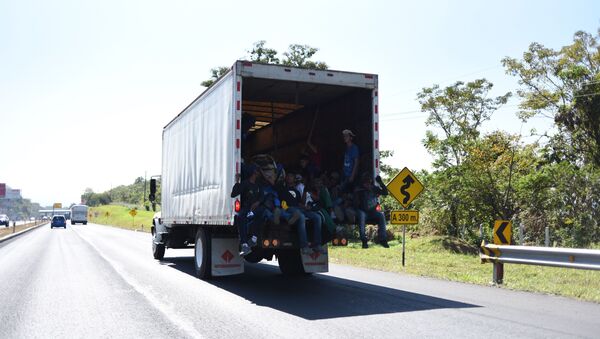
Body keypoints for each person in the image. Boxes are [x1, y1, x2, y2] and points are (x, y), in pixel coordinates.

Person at [278, 172, 325, 254]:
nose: (289, 178)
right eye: (288, 176)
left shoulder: (296, 191)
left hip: (299, 208)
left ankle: (317, 245)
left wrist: (305, 193)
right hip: (288, 208)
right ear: (285, 178)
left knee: (317, 217)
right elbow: (282, 202)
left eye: (291, 176)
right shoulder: (282, 188)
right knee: (301, 216)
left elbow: (301, 202)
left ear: (294, 179)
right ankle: (304, 246)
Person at [230, 164, 264, 256]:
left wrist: (258, 202)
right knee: (240, 217)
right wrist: (237, 182)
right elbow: (233, 194)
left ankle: (254, 239)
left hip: (256, 209)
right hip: (246, 208)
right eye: (257, 171)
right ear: (253, 173)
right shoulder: (245, 183)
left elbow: (262, 196)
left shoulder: (258, 185)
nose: (258, 173)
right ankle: (244, 244)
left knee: (263, 213)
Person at [354, 173, 389, 249]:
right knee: (361, 215)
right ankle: (364, 241)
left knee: (381, 215)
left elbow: (385, 192)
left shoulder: (374, 188)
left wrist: (380, 183)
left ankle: (383, 239)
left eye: (369, 182)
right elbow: (355, 203)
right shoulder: (359, 190)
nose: (367, 184)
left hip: (372, 212)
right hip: (363, 211)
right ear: (363, 183)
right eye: (365, 182)